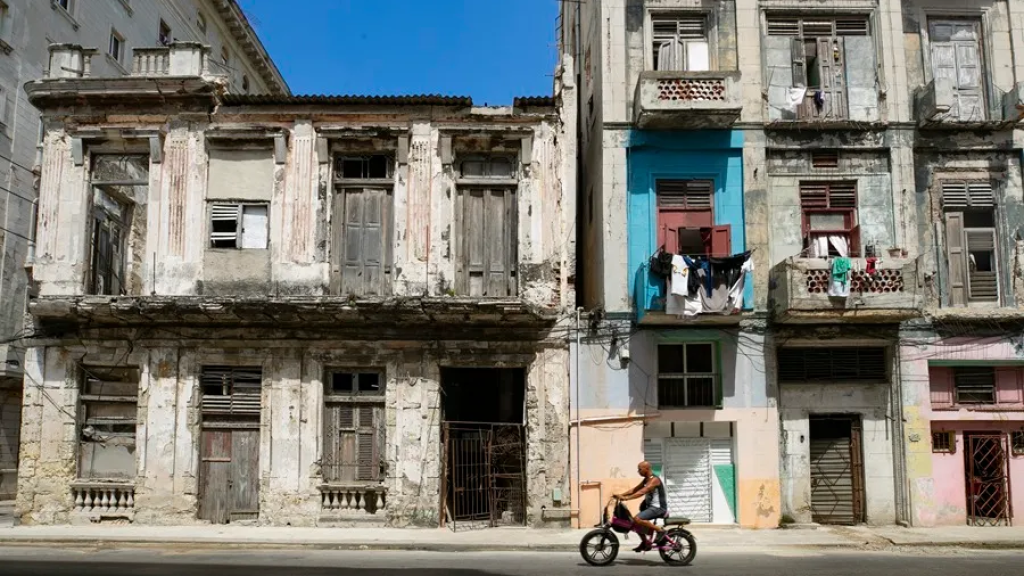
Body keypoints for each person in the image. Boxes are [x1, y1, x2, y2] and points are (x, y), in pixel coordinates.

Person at [614, 460, 668, 551]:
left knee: (637, 519)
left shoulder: (654, 480)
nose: (638, 471)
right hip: (651, 507)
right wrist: (621, 495)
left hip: (658, 508)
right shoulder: (647, 479)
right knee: (635, 523)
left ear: (647, 469)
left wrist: (627, 498)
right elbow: (634, 490)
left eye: (639, 469)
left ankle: (660, 530)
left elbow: (642, 492)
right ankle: (645, 543)